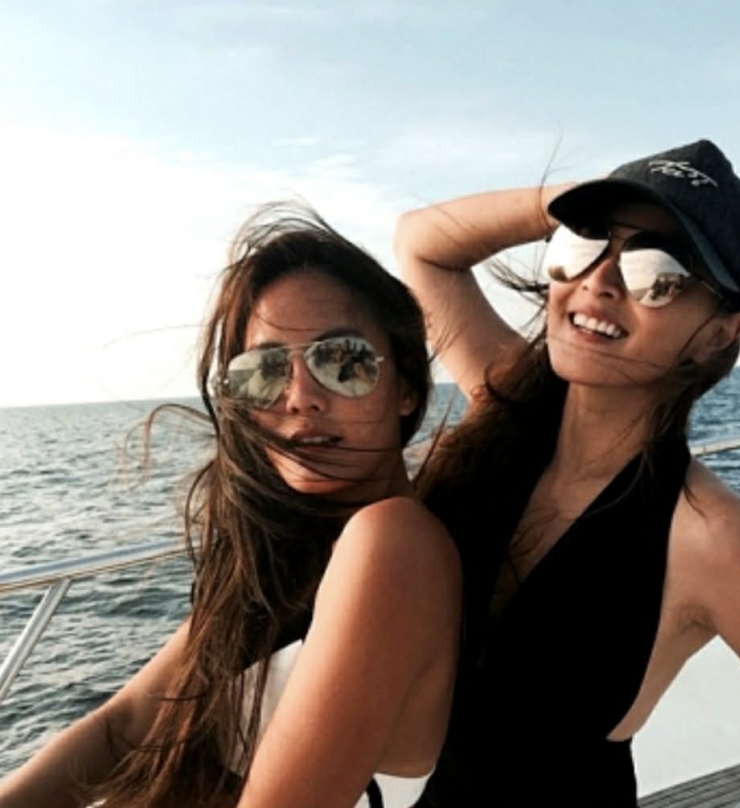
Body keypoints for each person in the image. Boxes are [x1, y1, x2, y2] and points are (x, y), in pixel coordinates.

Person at [0, 203, 461, 808]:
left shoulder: (392, 542)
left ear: (406, 386)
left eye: (342, 361)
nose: (299, 397)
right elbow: (124, 727)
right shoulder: (285, 555)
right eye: (263, 371)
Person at [394, 139, 740, 807]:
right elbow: (420, 244)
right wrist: (585, 200)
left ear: (718, 335)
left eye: (656, 271)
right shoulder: (510, 408)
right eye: (586, 244)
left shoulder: (711, 537)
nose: (599, 281)